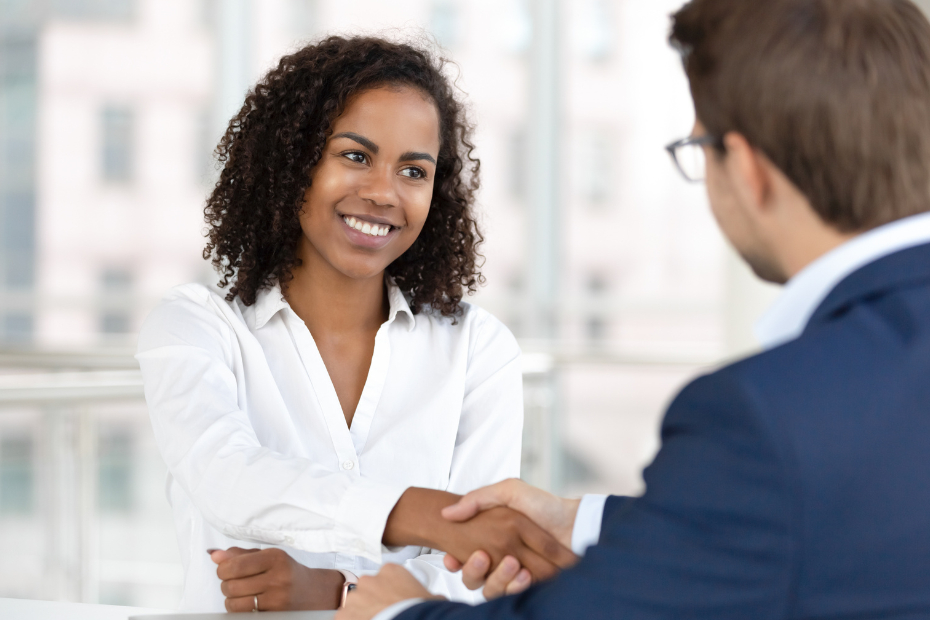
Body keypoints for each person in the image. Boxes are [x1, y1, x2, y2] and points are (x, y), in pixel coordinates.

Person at [340, 0, 930, 618]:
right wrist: (583, 521)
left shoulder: (767, 415)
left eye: (700, 147)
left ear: (750, 171)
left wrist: (394, 612)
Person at [136, 36, 573, 613]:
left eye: (413, 170)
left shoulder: (476, 348)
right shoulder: (196, 327)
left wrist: (341, 592)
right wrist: (426, 517)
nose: (382, 194)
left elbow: (482, 571)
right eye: (355, 156)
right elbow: (227, 479)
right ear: (293, 163)